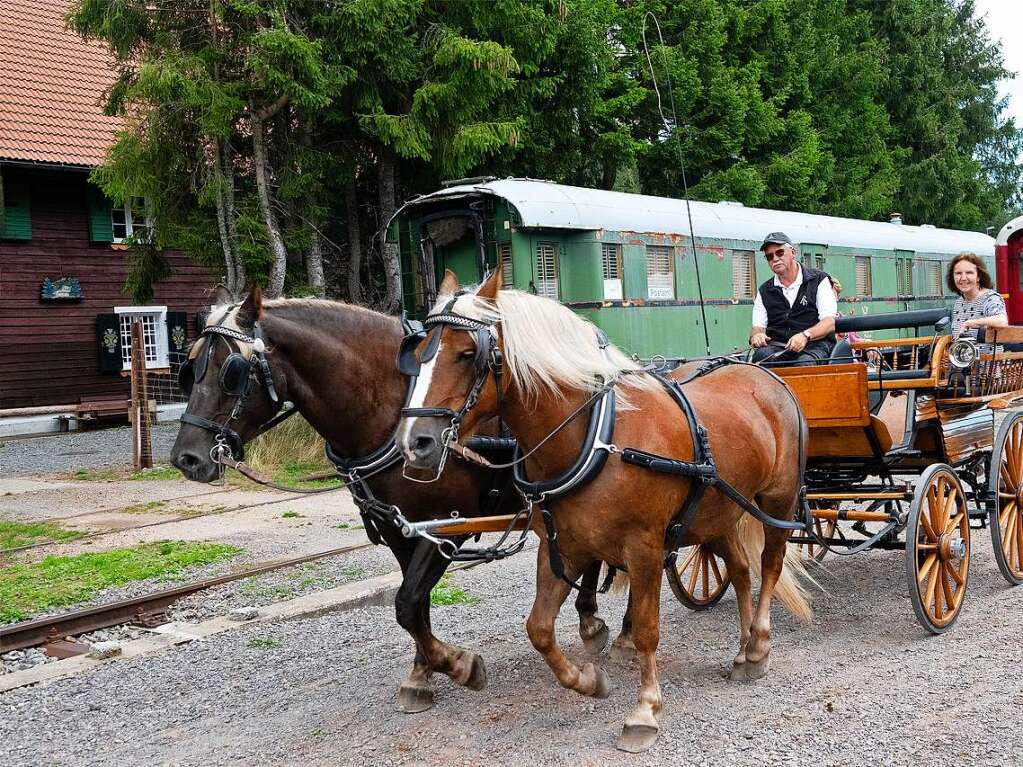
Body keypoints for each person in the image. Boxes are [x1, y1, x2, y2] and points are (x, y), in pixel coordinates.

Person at [750, 232, 837, 365]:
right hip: (778, 347)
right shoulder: (764, 290)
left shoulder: (819, 280)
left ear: (793, 252)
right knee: (761, 359)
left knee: (805, 363)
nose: (775, 258)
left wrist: (805, 335)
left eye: (780, 253)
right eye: (769, 256)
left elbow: (829, 323)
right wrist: (757, 336)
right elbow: (758, 327)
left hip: (814, 345)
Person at [947, 252, 1008, 339]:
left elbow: (1002, 321)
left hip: (986, 353)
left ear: (978, 277)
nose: (963, 278)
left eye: (969, 273)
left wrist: (971, 323)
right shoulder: (959, 302)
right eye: (958, 273)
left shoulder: (989, 298)